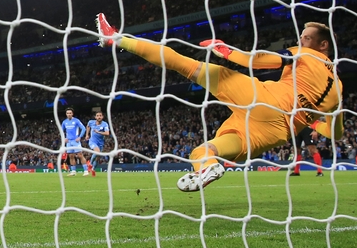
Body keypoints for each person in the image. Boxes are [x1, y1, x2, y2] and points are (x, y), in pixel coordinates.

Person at [96, 14, 343, 192]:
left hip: (266, 100)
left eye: (307, 39)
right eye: (301, 38)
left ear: (324, 45)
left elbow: (264, 60)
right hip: (276, 132)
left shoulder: (309, 55)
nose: (301, 43)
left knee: (187, 65)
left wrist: (227, 51)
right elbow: (336, 132)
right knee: (203, 152)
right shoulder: (339, 90)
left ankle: (115, 39)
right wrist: (309, 123)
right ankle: (209, 168)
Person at [61, 107, 88, 176]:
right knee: (71, 156)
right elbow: (61, 131)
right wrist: (64, 138)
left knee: (80, 155)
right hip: (69, 142)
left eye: (70, 113)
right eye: (67, 113)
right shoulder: (64, 122)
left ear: (72, 114)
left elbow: (83, 129)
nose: (69, 114)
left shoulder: (76, 121)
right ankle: (73, 171)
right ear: (66, 114)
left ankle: (86, 171)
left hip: (75, 141)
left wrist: (80, 137)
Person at [85, 111, 110, 177]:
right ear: (95, 117)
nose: (99, 117)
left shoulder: (105, 124)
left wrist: (98, 132)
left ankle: (93, 169)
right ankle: (90, 164)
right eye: (97, 115)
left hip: (100, 143)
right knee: (97, 151)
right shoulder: (91, 122)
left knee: (97, 158)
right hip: (92, 141)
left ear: (102, 117)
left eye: (100, 115)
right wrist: (87, 134)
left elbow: (107, 133)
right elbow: (88, 126)